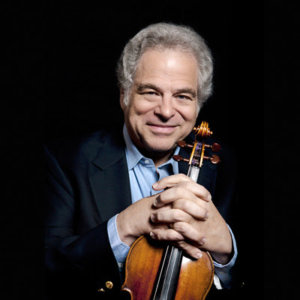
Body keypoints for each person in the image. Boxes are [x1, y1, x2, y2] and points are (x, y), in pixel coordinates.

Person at [44, 22, 241, 299]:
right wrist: (123, 226)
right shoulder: (66, 161)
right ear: (124, 94)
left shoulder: (227, 167)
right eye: (151, 92)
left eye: (183, 96)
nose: (166, 111)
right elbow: (48, 267)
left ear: (198, 105)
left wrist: (227, 251)